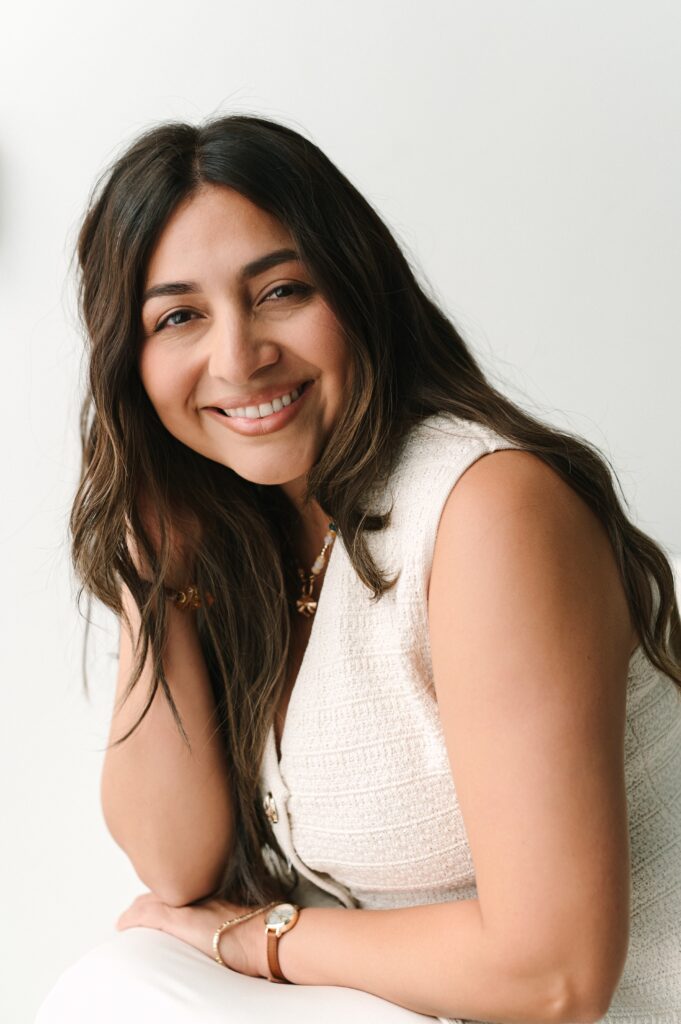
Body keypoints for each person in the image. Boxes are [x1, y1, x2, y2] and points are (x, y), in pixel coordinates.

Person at [36, 113, 681, 1024]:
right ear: (129, 367)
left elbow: (554, 977)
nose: (237, 357)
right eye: (179, 315)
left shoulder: (483, 510)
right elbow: (173, 868)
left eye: (281, 291)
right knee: (115, 983)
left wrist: (253, 938)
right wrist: (151, 579)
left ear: (359, 290)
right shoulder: (259, 538)